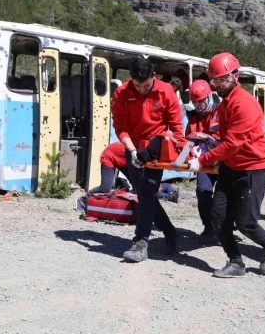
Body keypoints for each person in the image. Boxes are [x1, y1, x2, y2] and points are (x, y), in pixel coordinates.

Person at [189, 52, 265, 278]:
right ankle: (236, 262)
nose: (217, 84)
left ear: (235, 76)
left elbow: (232, 144)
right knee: (218, 218)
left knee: (246, 223)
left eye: (221, 79)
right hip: (230, 167)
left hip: (252, 169)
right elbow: (223, 139)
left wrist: (202, 161)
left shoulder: (244, 104)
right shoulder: (224, 104)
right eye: (214, 80)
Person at [112, 57, 185, 263]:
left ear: (154, 76)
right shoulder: (122, 93)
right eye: (137, 85)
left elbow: (176, 128)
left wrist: (176, 151)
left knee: (146, 194)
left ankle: (141, 242)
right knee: (146, 195)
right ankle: (171, 233)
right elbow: (121, 126)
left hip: (156, 149)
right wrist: (133, 151)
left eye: (146, 85)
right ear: (130, 79)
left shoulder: (165, 91)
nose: (142, 89)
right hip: (133, 148)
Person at [185, 79, 221, 242]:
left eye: (201, 101)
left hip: (223, 162)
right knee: (203, 191)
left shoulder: (221, 112)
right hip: (204, 163)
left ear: (209, 98)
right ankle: (209, 227)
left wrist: (209, 138)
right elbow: (187, 139)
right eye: (195, 102)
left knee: (226, 198)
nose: (198, 105)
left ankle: (224, 226)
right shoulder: (192, 118)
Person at [75, 141, 131, 217]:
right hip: (110, 156)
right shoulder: (138, 148)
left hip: (124, 160)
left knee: (138, 186)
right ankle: (82, 200)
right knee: (105, 188)